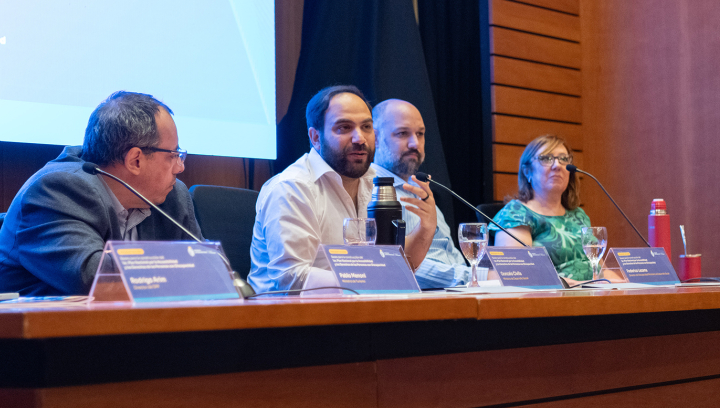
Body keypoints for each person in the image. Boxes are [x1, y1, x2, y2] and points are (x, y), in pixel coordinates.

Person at [0, 91, 202, 296]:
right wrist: (183, 269)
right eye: (174, 154)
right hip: (47, 332)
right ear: (135, 160)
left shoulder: (171, 196)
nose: (180, 167)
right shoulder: (57, 190)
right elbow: (96, 279)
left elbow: (209, 269)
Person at [248, 85, 434, 293]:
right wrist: (368, 280)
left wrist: (425, 229)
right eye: (344, 128)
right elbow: (291, 278)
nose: (360, 139)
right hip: (288, 319)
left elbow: (396, 269)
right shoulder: (292, 188)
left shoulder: (375, 181)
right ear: (315, 138)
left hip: (357, 314)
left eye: (366, 127)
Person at [372, 99, 470, 288]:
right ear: (374, 138)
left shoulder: (420, 188)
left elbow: (450, 254)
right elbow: (396, 264)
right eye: (402, 133)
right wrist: (476, 277)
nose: (415, 143)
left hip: (460, 293)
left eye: (420, 134)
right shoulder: (370, 192)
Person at [490, 134, 593, 280]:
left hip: (593, 296)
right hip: (550, 299)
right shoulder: (515, 215)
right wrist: (572, 286)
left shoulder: (579, 215)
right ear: (528, 172)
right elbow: (516, 275)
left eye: (564, 159)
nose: (557, 165)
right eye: (546, 159)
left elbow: (599, 268)